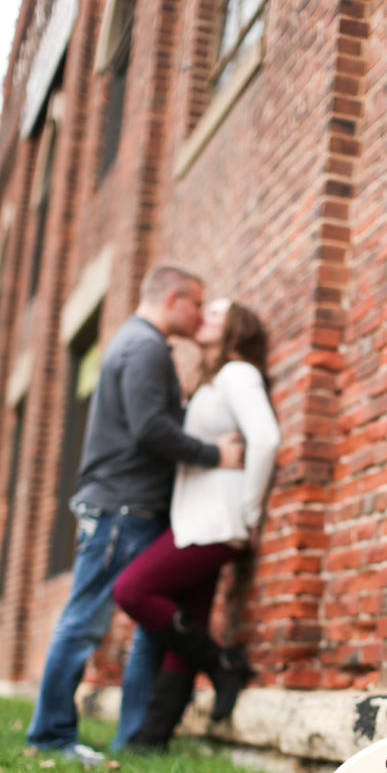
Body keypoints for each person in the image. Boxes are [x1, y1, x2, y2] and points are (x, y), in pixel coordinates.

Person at [26, 265, 244, 764]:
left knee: (146, 627)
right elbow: (151, 428)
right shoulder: (144, 347)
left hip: (134, 507)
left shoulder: (138, 343)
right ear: (173, 299)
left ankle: (133, 740)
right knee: (84, 621)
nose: (199, 315)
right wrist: (216, 455)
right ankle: (51, 735)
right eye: (197, 304)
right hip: (120, 508)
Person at [113, 299, 280, 750]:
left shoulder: (238, 373)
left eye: (215, 314)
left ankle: (221, 662)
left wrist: (251, 512)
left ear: (235, 328)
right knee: (192, 618)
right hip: (196, 517)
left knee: (131, 590)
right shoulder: (213, 379)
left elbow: (265, 439)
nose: (203, 316)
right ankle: (152, 739)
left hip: (218, 519)